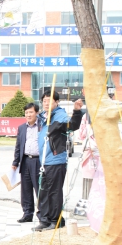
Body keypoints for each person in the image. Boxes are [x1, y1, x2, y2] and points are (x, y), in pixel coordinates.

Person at [33, 90, 83, 231]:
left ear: (56, 102)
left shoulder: (60, 116)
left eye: (50, 100)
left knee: (54, 192)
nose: (46, 103)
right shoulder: (43, 117)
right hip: (44, 161)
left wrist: (77, 111)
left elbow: (72, 125)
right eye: (44, 101)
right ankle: (44, 219)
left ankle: (56, 220)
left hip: (56, 160)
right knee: (42, 192)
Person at [12, 103, 41, 223]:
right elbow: (18, 146)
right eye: (26, 113)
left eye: (31, 112)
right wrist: (15, 162)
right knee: (26, 188)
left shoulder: (42, 126)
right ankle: (27, 213)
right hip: (25, 161)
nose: (28, 115)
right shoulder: (22, 128)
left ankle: (42, 215)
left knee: (39, 188)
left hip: (38, 161)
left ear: (37, 113)